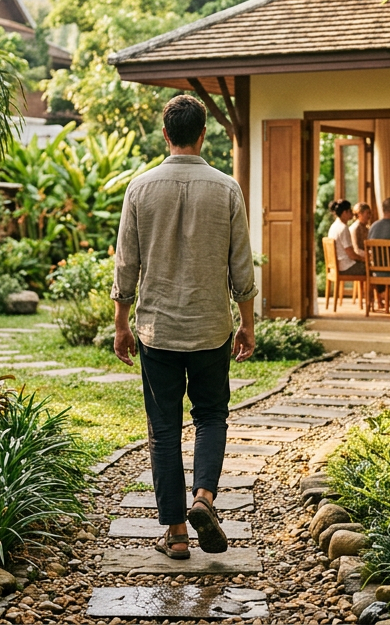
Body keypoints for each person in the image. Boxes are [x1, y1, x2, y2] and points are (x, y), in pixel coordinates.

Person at [111, 94, 256, 561]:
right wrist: (247, 324)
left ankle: (175, 533)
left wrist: (121, 324)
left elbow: (126, 264)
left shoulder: (140, 187)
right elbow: (242, 268)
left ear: (165, 134)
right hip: (212, 326)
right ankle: (205, 499)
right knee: (212, 416)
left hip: (157, 330)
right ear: (203, 134)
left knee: (164, 428)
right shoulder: (227, 188)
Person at [325, 200, 366, 275]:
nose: (352, 213)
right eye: (350, 211)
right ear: (344, 213)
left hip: (337, 266)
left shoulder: (333, 226)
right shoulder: (343, 228)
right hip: (345, 267)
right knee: (371, 269)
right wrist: (364, 259)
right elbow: (351, 255)